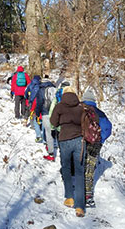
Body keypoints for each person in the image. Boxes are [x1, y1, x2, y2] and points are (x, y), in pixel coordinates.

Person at [50, 86, 85, 217]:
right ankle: (80, 207)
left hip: (64, 139)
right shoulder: (81, 106)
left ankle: (69, 197)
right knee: (80, 171)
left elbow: (53, 122)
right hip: (79, 140)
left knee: (65, 167)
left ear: (63, 94)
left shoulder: (59, 106)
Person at [81, 89, 112, 208]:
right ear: (94, 101)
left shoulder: (78, 110)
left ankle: (76, 193)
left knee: (79, 167)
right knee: (89, 169)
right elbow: (108, 129)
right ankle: (88, 197)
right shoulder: (99, 113)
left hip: (80, 142)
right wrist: (100, 140)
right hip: (95, 144)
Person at [35, 76, 56, 161]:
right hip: (55, 113)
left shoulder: (41, 90)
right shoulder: (54, 88)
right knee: (55, 131)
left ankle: (51, 153)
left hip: (45, 113)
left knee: (48, 132)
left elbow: (39, 103)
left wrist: (37, 113)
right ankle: (56, 145)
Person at [25, 75, 43, 142]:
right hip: (38, 100)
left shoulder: (30, 84)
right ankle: (40, 126)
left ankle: (32, 125)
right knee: (38, 113)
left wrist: (27, 98)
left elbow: (26, 92)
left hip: (31, 100)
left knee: (31, 112)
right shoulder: (40, 85)